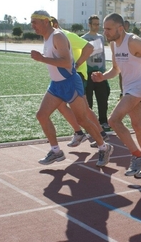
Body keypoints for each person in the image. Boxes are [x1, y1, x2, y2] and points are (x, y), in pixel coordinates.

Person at [30, 10, 113, 167]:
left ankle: (104, 147)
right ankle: (56, 151)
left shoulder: (58, 36)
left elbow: (67, 63)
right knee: (41, 115)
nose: (32, 25)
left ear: (45, 22)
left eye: (35, 22)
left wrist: (41, 58)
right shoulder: (47, 37)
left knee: (83, 119)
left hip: (70, 83)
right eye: (31, 22)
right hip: (56, 84)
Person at [92, 12, 141, 177]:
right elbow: (116, 69)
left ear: (120, 28)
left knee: (113, 120)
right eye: (104, 29)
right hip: (128, 88)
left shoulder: (133, 42)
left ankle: (137, 155)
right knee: (138, 126)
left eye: (109, 29)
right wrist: (102, 77)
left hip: (139, 88)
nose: (106, 33)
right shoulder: (114, 45)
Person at [50, 17, 109, 148]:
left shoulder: (67, 35)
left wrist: (76, 65)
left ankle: (82, 133)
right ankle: (95, 133)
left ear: (55, 24)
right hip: (65, 76)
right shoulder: (52, 38)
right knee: (76, 107)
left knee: (80, 109)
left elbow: (89, 47)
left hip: (77, 75)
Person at [81, 15, 111, 133]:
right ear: (89, 25)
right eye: (95, 24)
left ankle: (103, 121)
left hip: (100, 73)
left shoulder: (101, 38)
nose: (97, 26)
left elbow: (102, 54)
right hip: (88, 73)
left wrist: (103, 70)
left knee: (103, 98)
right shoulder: (83, 38)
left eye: (98, 24)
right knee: (88, 100)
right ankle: (90, 123)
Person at [117, 20, 131, 100]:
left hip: (129, 64)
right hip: (121, 62)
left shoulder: (131, 39)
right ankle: (122, 92)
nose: (125, 27)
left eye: (126, 26)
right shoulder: (118, 39)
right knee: (121, 77)